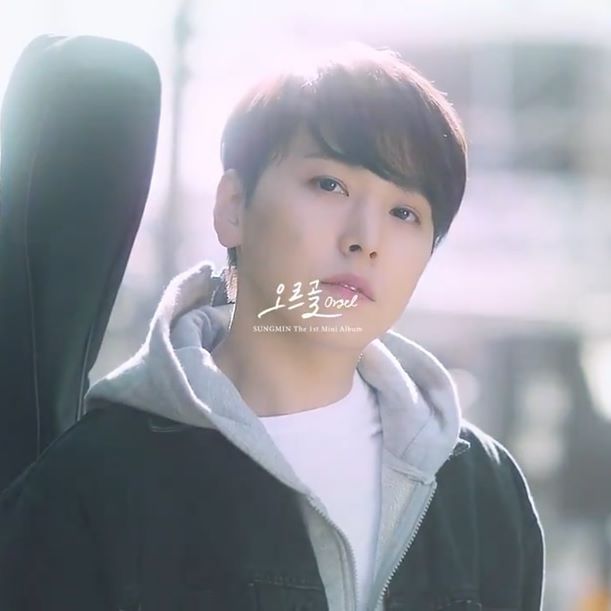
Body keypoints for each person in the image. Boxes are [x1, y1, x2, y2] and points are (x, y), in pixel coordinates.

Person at [0, 42, 545, 610]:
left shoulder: (480, 487)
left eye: (404, 213)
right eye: (329, 185)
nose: (365, 239)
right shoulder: (98, 480)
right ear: (233, 206)